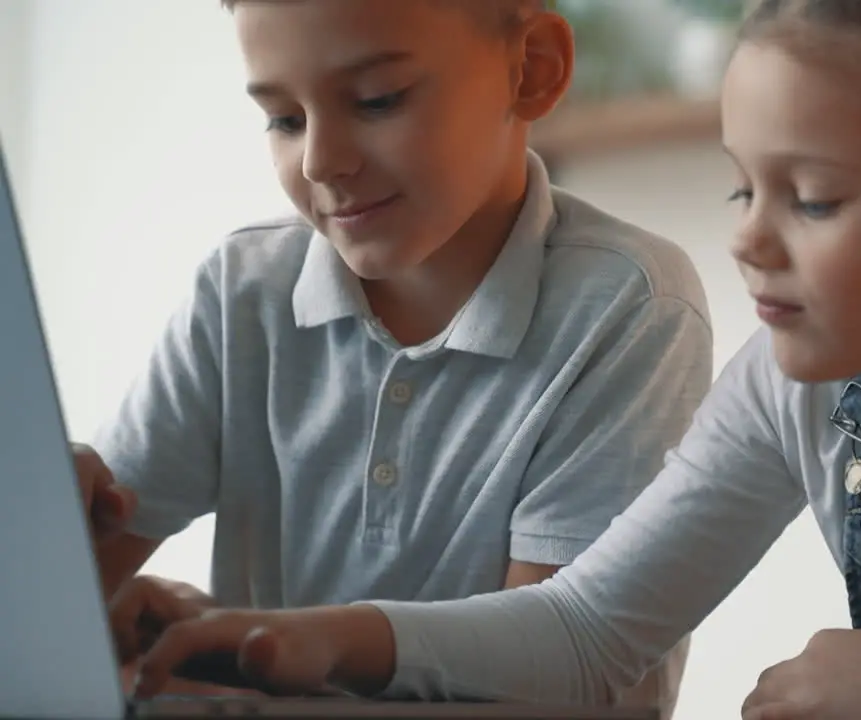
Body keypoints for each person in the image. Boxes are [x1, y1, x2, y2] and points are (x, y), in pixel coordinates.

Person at [117, 0, 861, 717]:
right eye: (742, 184)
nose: (745, 238)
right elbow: (584, 632)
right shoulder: (802, 383)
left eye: (811, 198)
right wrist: (302, 641)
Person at [77, 0, 710, 713]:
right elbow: (62, 595)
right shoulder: (243, 289)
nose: (321, 160)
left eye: (378, 101)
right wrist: (42, 533)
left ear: (531, 69)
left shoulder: (627, 306)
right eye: (285, 119)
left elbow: (558, 672)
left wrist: (249, 667)